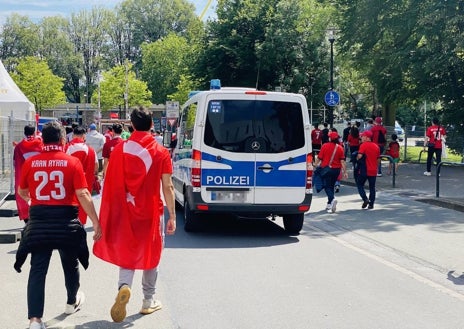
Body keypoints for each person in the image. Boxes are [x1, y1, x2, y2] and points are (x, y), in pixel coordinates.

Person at [93, 106, 176, 323]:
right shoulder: (161, 152)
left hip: (125, 211)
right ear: (151, 125)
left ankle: (124, 286)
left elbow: (110, 182)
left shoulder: (120, 150)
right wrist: (173, 216)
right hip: (151, 212)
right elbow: (167, 186)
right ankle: (148, 300)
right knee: (152, 253)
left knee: (127, 250)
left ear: (131, 125)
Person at [16, 121, 101, 329]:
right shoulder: (72, 163)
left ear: (42, 139)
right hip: (66, 220)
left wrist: (33, 198)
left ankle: (35, 320)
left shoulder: (31, 163)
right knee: (70, 264)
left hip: (39, 222)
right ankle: (71, 302)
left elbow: (22, 191)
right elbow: (82, 193)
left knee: (37, 268)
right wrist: (95, 222)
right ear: (63, 139)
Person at [66, 126, 98, 224]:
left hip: (69, 182)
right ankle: (81, 224)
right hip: (85, 181)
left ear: (73, 135)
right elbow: (96, 166)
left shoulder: (67, 147)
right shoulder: (90, 150)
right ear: (84, 135)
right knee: (84, 204)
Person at [13, 124, 43, 223]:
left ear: (24, 132)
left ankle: (27, 220)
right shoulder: (40, 144)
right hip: (39, 177)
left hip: (24, 177)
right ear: (34, 132)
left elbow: (15, 163)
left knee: (25, 197)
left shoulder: (19, 147)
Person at [314, 131, 347, 213]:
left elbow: (319, 158)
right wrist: (345, 171)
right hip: (336, 170)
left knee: (326, 186)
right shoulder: (340, 147)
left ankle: (332, 199)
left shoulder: (325, 146)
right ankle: (329, 204)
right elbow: (342, 161)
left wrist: (315, 165)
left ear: (330, 138)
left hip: (326, 169)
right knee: (331, 186)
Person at [355, 130, 380, 209]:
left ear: (366, 137)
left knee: (359, 184)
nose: (361, 137)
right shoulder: (376, 146)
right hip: (373, 170)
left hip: (364, 169)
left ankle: (365, 199)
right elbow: (378, 159)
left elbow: (359, 156)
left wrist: (355, 158)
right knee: (372, 187)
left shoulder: (363, 145)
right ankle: (371, 204)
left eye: (362, 136)